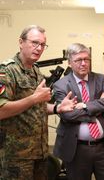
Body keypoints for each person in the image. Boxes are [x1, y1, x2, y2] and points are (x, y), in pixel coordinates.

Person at [0, 25, 77, 180]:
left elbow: (37, 107)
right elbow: (1, 110)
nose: (39, 48)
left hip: (40, 152)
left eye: (42, 45)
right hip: (16, 156)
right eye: (34, 42)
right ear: (21, 42)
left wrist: (57, 108)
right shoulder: (7, 71)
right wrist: (34, 98)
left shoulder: (36, 71)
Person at [52, 43, 104, 180]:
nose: (83, 63)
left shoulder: (100, 79)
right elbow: (67, 114)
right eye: (78, 60)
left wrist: (85, 106)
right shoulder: (61, 85)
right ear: (70, 63)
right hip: (76, 149)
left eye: (86, 59)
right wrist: (99, 107)